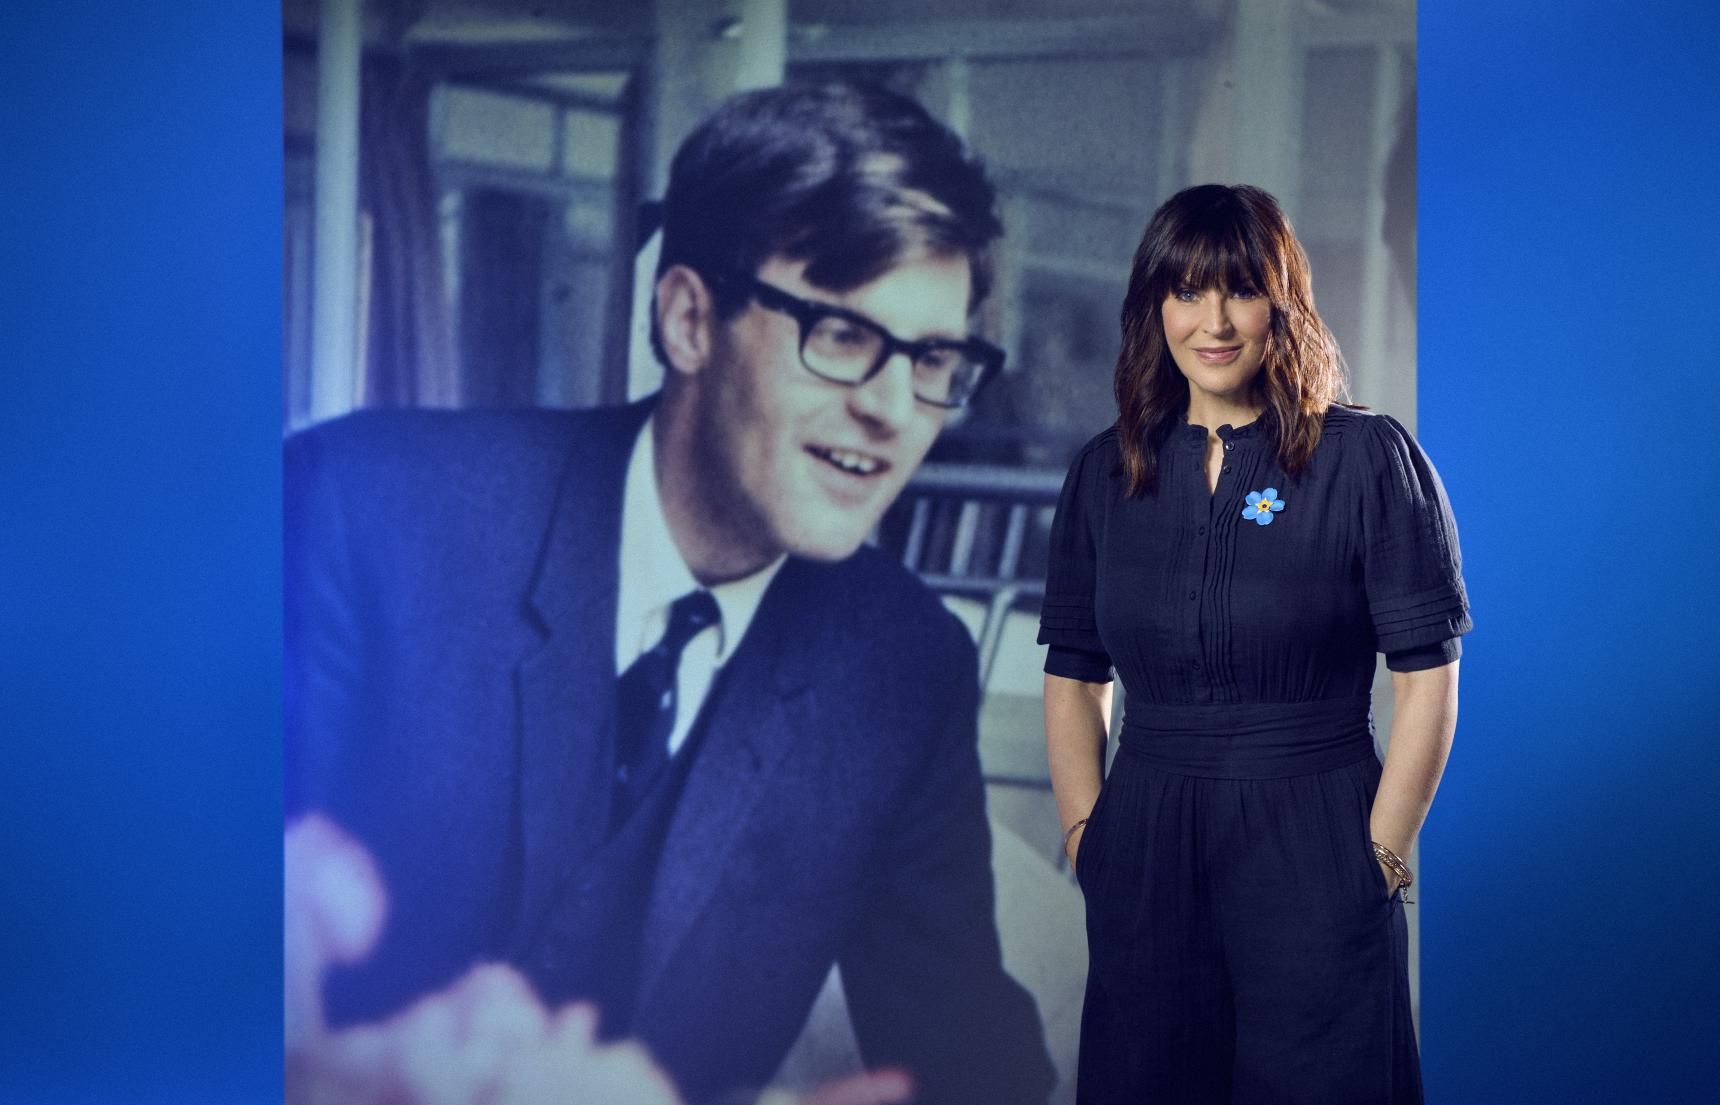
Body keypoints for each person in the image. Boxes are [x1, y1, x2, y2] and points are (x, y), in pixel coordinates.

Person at [286, 82, 1054, 1105]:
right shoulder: (362, 514)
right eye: (840, 335)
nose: (891, 408)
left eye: (934, 360)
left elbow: (969, 1061)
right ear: (689, 318)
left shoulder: (903, 667)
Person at [1040, 183, 1467, 1103]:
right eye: (1188, 291)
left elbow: (1428, 679)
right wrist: (1087, 838)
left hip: (1316, 836)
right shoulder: (1106, 472)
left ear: (1283, 302)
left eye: (1241, 289)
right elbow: (1074, 675)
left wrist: (1381, 859)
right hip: (1146, 842)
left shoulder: (1366, 459)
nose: (1215, 321)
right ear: (1155, 307)